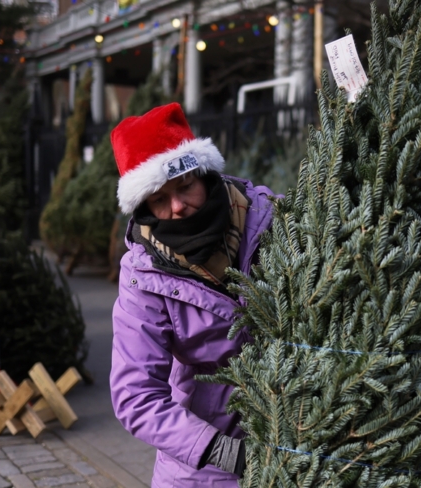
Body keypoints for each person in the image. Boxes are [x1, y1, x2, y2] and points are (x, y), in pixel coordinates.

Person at [109, 102, 276, 486]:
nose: (178, 206)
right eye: (160, 200)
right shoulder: (143, 276)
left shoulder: (269, 220)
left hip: (300, 437)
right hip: (204, 467)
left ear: (203, 175)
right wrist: (221, 450)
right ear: (145, 206)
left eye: (185, 187)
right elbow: (137, 397)